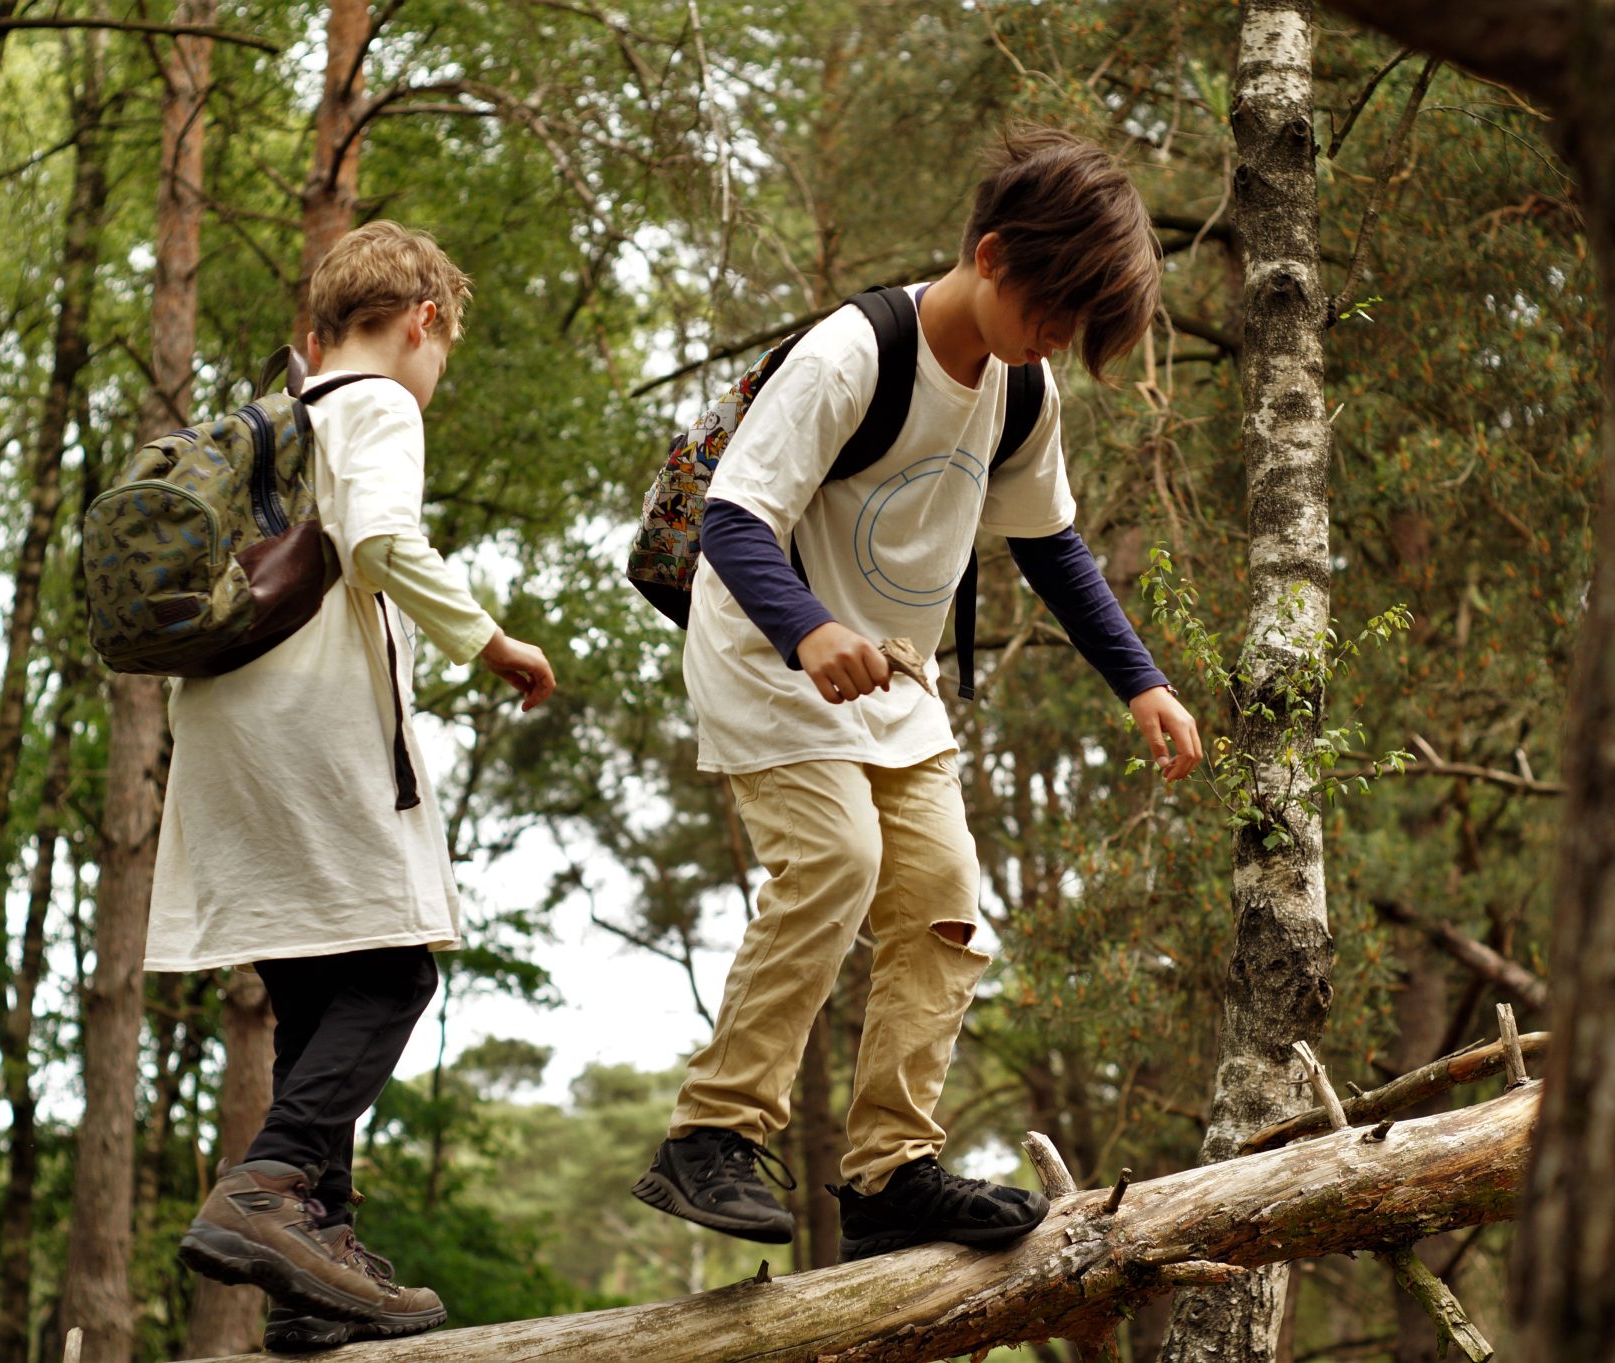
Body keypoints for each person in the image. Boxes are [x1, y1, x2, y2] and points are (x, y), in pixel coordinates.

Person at [632, 127, 1202, 1262]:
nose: (1053, 341)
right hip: (761, 649)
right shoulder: (853, 353)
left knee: (943, 900)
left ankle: (889, 1171)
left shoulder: (1021, 385)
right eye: (1051, 311)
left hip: (888, 676)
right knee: (835, 860)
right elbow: (735, 525)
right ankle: (710, 1133)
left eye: (1073, 331)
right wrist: (809, 631)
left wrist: (1139, 680)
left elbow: (1053, 547)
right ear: (990, 254)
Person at [156, 220, 555, 1348]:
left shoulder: (270, 426)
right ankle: (269, 1191)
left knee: (317, 999)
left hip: (222, 735)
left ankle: (309, 1274)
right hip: (309, 735)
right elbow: (378, 539)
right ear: (422, 321)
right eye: (443, 347)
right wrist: (491, 640)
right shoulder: (374, 404)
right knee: (391, 978)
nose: (436, 372)